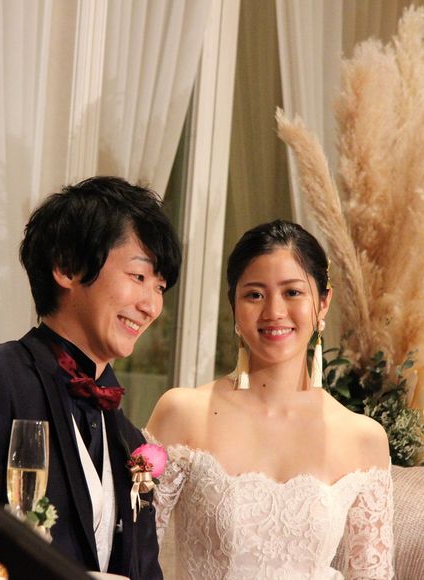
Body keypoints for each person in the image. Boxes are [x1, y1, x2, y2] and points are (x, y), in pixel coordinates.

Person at [0, 176, 181, 579]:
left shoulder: (128, 437)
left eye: (160, 287)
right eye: (139, 277)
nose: (151, 306)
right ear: (67, 266)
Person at [146, 220, 394, 580]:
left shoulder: (363, 438)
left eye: (292, 292)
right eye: (254, 295)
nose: (274, 312)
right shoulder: (183, 412)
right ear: (234, 305)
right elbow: (131, 553)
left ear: (323, 303)